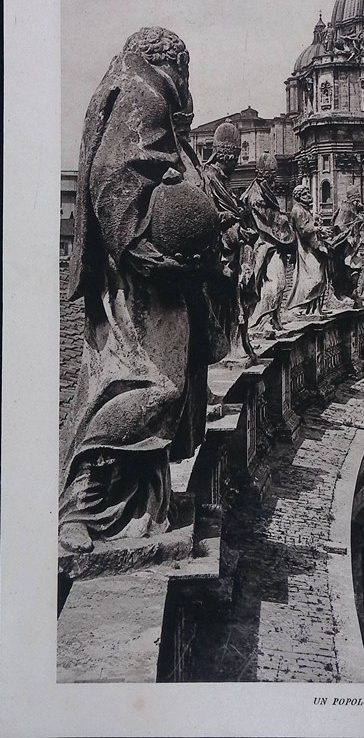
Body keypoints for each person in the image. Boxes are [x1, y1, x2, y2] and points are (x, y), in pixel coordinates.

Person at [58, 27, 226, 554]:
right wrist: (147, 250)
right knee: (150, 387)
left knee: (134, 381)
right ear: (170, 62)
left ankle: (136, 504)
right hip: (142, 276)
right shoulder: (144, 95)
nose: (187, 81)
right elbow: (114, 181)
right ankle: (82, 505)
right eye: (186, 68)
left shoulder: (128, 89)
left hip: (143, 274)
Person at [201, 120, 258, 363]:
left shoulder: (222, 180)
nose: (237, 165)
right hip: (217, 256)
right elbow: (207, 216)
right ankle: (225, 349)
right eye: (235, 160)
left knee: (233, 302)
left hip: (232, 253)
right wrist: (232, 225)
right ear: (227, 157)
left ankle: (235, 344)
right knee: (221, 302)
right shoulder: (208, 179)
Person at [240, 152, 295, 336]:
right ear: (262, 175)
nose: (273, 182)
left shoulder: (264, 191)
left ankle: (271, 319)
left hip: (271, 245)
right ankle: (259, 323)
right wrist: (286, 226)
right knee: (275, 282)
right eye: (271, 177)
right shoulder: (255, 196)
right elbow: (270, 221)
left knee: (277, 283)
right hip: (262, 245)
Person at [287, 184, 330, 317]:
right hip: (305, 250)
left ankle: (313, 308)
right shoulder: (297, 210)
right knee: (314, 277)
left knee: (320, 277)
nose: (309, 196)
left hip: (312, 248)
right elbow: (303, 230)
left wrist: (320, 230)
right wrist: (316, 228)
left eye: (308, 193)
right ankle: (300, 306)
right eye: (305, 194)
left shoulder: (305, 210)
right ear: (298, 197)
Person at [328, 185, 364, 302]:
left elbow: (354, 223)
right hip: (343, 246)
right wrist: (348, 236)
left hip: (352, 246)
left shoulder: (354, 209)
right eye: (356, 199)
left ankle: (352, 291)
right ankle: (341, 293)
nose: (358, 202)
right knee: (344, 269)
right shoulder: (345, 207)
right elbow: (339, 225)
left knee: (355, 268)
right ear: (352, 198)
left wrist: (360, 220)